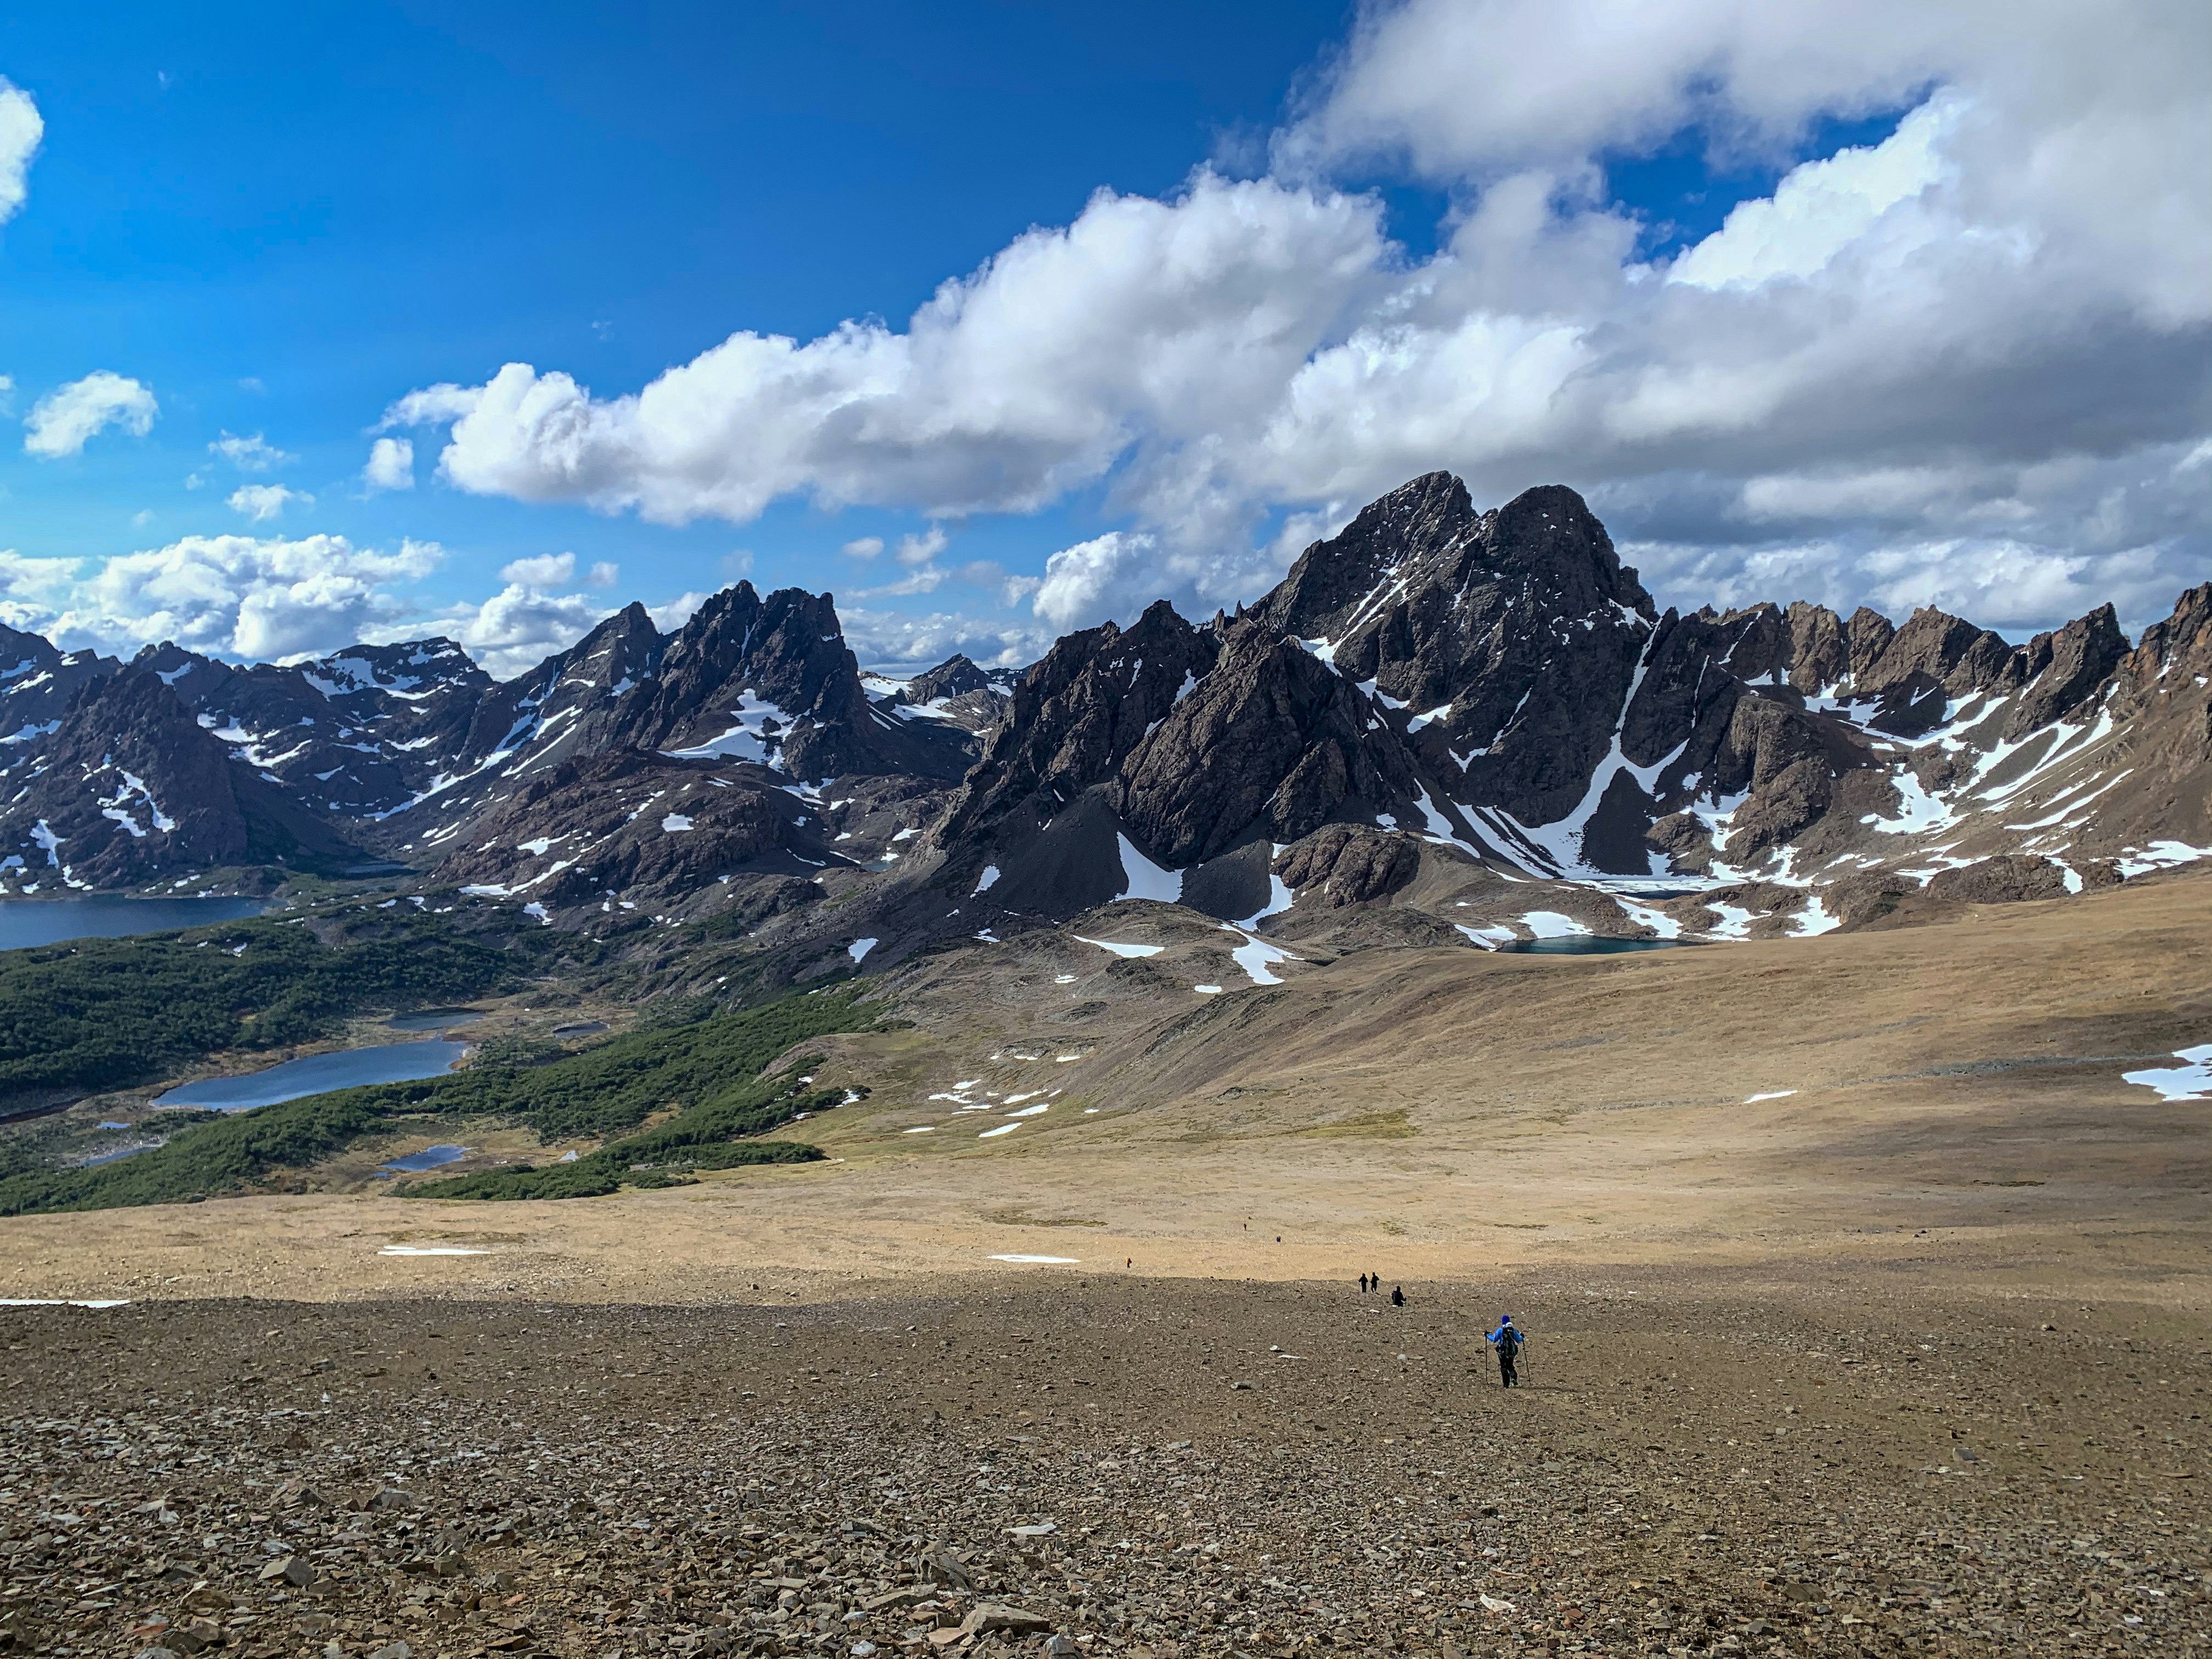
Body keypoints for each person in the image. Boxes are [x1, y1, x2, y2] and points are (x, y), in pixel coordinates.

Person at [1486, 1315, 1525, 1387]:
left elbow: (1494, 1339)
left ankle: (1506, 1384)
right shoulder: (1513, 1330)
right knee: (1510, 1366)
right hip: (1512, 1352)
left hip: (1502, 1352)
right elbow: (1519, 1339)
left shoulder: (1500, 1330)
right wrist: (1522, 1336)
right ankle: (1513, 1378)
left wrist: (1487, 1335)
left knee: (1504, 1367)